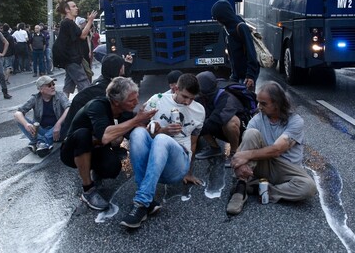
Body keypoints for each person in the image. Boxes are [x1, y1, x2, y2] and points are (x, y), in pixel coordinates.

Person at [120, 73, 205, 229]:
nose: (188, 102)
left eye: (192, 98)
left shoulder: (199, 111)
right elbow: (139, 125)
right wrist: (159, 130)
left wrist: (189, 172)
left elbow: (193, 142)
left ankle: (141, 202)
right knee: (137, 134)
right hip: (155, 161)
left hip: (178, 165)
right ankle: (145, 202)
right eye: (185, 96)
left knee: (162, 140)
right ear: (175, 88)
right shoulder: (157, 100)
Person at [60, 77, 156, 211]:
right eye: (131, 100)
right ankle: (88, 190)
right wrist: (136, 120)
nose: (136, 102)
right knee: (83, 134)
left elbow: (138, 128)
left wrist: (157, 126)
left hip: (95, 148)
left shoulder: (124, 111)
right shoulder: (97, 105)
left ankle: (95, 171)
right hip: (72, 151)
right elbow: (106, 137)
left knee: (113, 167)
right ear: (116, 102)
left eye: (137, 98)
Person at [226, 81, 317, 216]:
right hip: (264, 164)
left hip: (287, 169)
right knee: (250, 134)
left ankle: (264, 189)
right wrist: (239, 163)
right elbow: (245, 146)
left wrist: (246, 155)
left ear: (277, 104)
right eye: (258, 102)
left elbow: (277, 149)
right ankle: (241, 188)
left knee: (308, 187)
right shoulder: (257, 119)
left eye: (264, 103)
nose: (259, 107)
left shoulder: (296, 121)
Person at [61, 53, 132, 141]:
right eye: (123, 66)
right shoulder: (111, 92)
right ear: (119, 69)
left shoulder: (99, 83)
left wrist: (127, 64)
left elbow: (119, 79)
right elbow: (125, 118)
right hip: (86, 138)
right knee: (118, 138)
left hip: (71, 133)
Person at [194, 71, 245, 167]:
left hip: (240, 133)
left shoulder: (226, 98)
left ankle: (234, 152)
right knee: (197, 118)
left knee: (230, 122)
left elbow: (215, 121)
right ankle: (214, 148)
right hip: (218, 127)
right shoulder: (203, 97)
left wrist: (194, 133)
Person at [14, 75, 70, 157]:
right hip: (42, 130)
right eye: (49, 85)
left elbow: (69, 108)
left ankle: (38, 142)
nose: (53, 87)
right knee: (19, 119)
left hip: (57, 131)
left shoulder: (60, 95)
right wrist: (26, 124)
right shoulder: (35, 98)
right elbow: (17, 113)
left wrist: (58, 124)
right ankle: (42, 143)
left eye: (53, 84)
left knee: (65, 120)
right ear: (41, 89)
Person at [210, 0, 259, 91]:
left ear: (223, 16)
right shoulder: (226, 30)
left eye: (218, 18)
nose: (217, 21)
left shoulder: (241, 27)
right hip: (236, 76)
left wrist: (250, 75)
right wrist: (233, 74)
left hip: (247, 77)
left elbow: (251, 53)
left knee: (247, 103)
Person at [53, 0, 97, 97]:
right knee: (84, 82)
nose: (76, 8)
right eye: (73, 6)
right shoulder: (67, 22)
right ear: (67, 10)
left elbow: (81, 35)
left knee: (69, 85)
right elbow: (83, 35)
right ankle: (89, 105)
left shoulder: (69, 22)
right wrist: (90, 21)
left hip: (69, 57)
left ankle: (63, 106)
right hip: (71, 58)